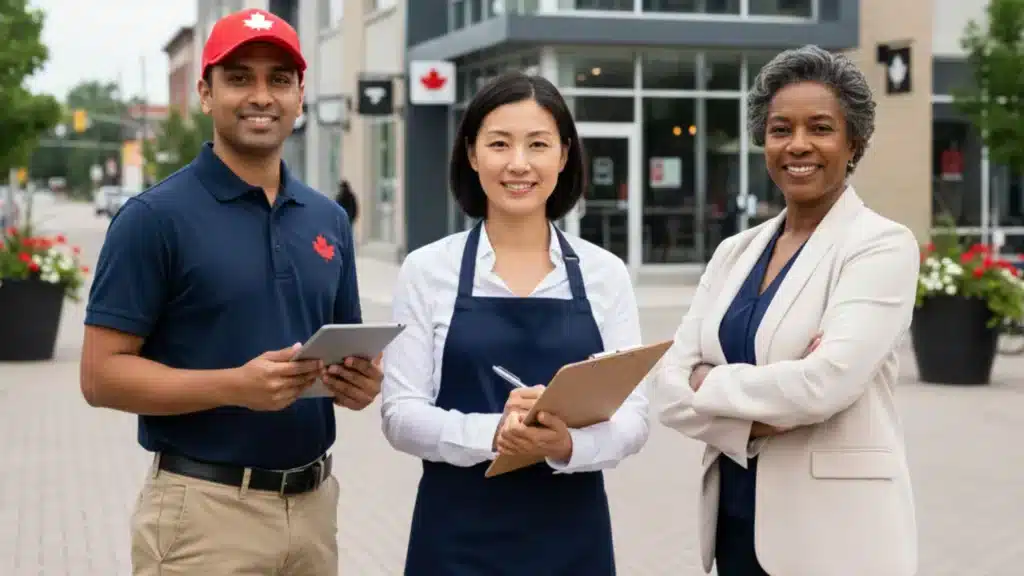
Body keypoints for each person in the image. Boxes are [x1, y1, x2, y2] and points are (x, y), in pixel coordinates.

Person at [79, 9, 382, 575]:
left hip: (314, 510)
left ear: (299, 95)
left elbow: (342, 357)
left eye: (279, 79)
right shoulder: (153, 219)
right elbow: (100, 376)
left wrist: (358, 384)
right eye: (239, 78)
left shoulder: (327, 219)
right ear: (205, 93)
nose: (261, 96)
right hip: (203, 514)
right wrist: (235, 387)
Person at [653, 45, 919, 576]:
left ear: (854, 142)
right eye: (780, 129)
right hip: (736, 527)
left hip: (835, 539)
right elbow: (666, 386)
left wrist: (711, 384)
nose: (798, 145)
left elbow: (824, 385)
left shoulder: (880, 245)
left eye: (820, 128)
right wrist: (759, 415)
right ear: (764, 141)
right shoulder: (735, 252)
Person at [380, 71, 650, 575]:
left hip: (573, 541)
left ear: (564, 155)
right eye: (500, 143)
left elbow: (634, 419)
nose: (519, 163)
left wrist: (565, 444)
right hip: (455, 540)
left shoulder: (605, 274)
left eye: (539, 144)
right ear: (472, 153)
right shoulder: (426, 270)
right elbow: (399, 415)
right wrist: (499, 433)